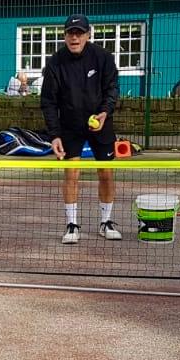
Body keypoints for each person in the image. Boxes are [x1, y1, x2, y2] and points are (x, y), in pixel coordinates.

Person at [40, 14, 122, 244]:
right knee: (71, 173)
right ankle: (71, 225)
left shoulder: (103, 58)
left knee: (105, 173)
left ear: (88, 34)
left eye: (79, 33)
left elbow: (112, 89)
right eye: (70, 33)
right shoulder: (55, 62)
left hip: (100, 122)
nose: (74, 37)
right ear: (65, 35)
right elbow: (48, 102)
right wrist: (54, 135)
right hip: (70, 125)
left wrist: (105, 112)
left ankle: (106, 222)